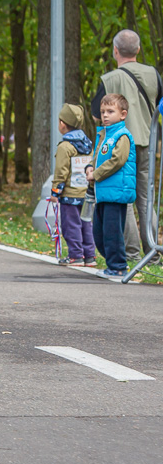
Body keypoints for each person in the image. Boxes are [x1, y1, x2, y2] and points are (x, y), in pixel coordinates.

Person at [90, 29, 162, 263]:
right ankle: (152, 253)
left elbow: (95, 115)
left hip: (121, 144)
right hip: (149, 144)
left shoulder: (110, 79)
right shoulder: (154, 74)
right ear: (138, 50)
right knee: (145, 196)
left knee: (124, 196)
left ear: (115, 50)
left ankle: (130, 254)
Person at [84, 94, 137, 280]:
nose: (105, 115)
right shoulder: (104, 134)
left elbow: (117, 161)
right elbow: (96, 156)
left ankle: (119, 267)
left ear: (123, 114)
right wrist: (90, 167)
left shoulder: (121, 135)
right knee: (99, 232)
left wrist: (95, 174)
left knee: (112, 232)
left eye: (110, 111)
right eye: (103, 112)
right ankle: (112, 262)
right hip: (103, 193)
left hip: (116, 192)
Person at [51, 104, 96, 267]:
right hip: (86, 194)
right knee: (86, 224)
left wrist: (55, 192)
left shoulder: (65, 147)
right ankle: (90, 256)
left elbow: (61, 172)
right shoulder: (88, 144)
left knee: (71, 225)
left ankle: (76, 255)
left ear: (62, 123)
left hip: (69, 195)